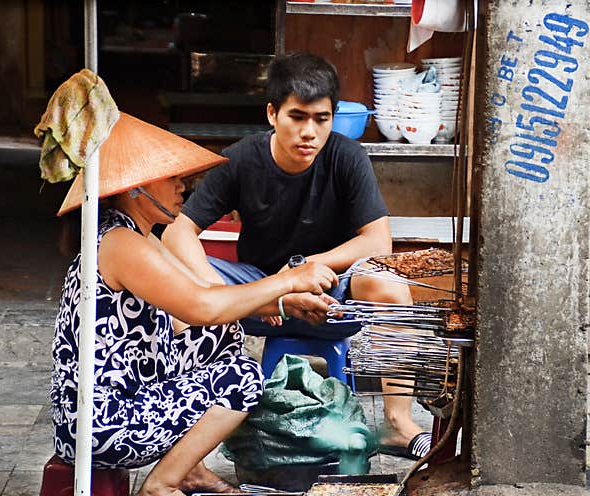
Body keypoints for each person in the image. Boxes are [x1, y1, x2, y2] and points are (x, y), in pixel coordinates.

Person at [49, 112, 338, 496]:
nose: (183, 186)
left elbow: (210, 303)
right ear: (136, 188)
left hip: (119, 399)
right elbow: (201, 307)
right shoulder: (119, 242)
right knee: (242, 377)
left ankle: (188, 468)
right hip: (98, 424)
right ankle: (158, 492)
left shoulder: (138, 234)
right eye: (171, 178)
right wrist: (287, 280)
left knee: (222, 336)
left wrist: (281, 303)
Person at [162, 52, 431, 460]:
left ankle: (398, 423)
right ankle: (189, 440)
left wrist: (309, 267)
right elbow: (177, 232)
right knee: (170, 276)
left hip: (330, 295)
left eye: (321, 119)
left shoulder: (346, 156)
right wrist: (230, 291)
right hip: (255, 294)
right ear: (272, 114)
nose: (309, 132)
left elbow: (378, 242)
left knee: (389, 284)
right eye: (297, 117)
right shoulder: (241, 159)